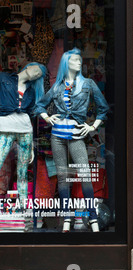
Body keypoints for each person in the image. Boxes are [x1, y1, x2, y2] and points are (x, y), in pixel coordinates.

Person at [34, 48, 109, 233]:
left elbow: (103, 107)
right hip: (57, 135)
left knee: (84, 175)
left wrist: (92, 126)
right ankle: (67, 217)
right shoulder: (58, 86)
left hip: (77, 136)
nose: (79, 62)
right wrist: (47, 117)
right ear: (67, 63)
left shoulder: (88, 84)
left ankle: (92, 217)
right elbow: (40, 105)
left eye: (79, 59)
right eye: (75, 60)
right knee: (62, 178)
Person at [0, 62, 46, 210]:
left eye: (39, 74)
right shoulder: (3, 78)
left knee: (22, 171)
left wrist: (32, 145)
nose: (36, 74)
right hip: (5, 128)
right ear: (29, 66)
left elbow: (30, 115)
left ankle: (23, 208)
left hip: (25, 131)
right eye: (36, 70)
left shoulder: (32, 91)